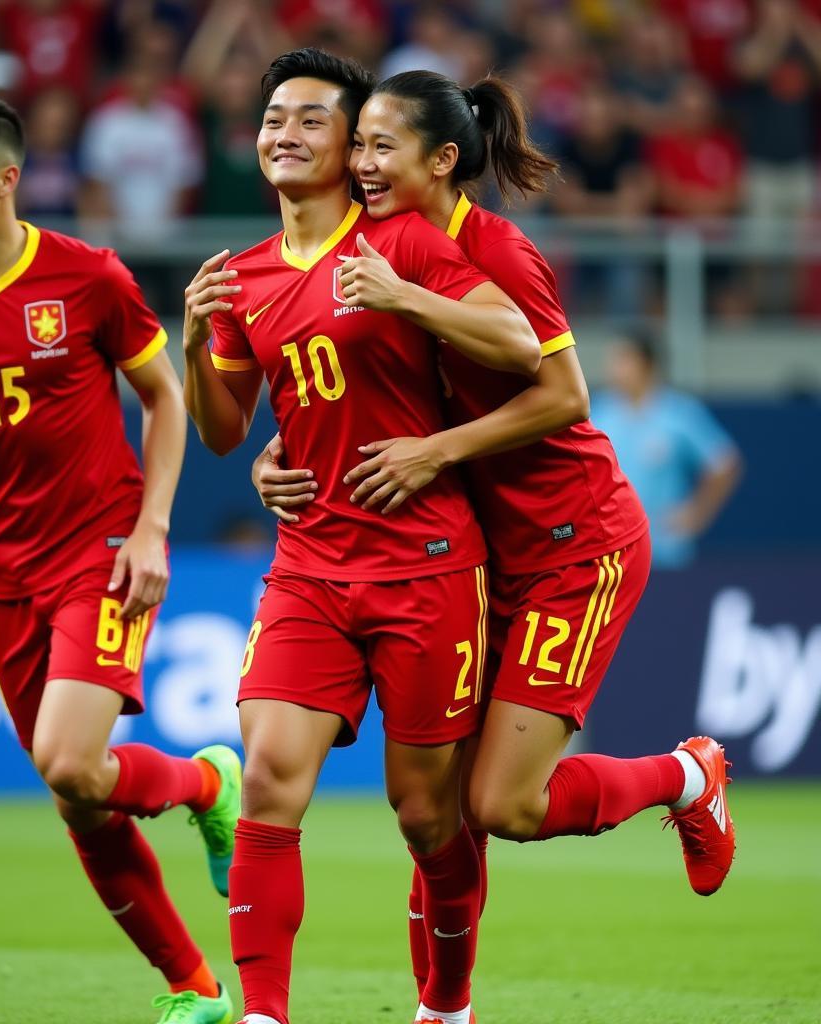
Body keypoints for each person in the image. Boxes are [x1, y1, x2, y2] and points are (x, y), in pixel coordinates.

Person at [252, 68, 737, 1016]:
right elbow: (354, 386)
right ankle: (444, 1006)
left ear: (441, 159)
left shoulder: (495, 252)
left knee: (500, 806)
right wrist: (275, 454)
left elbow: (565, 396)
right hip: (478, 553)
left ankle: (688, 776)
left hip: (572, 541)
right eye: (359, 146)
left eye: (379, 146)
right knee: (436, 810)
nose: (360, 163)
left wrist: (435, 448)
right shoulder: (377, 249)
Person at [0, 94, 240, 1024]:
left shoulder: (88, 276)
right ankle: (195, 988)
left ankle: (207, 783)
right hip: (0, 569)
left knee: (69, 762)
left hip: (101, 550)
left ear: (6, 179)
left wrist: (152, 528)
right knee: (79, 801)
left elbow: (165, 399)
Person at [183, 47, 539, 1024]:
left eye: (310, 121)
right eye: (272, 120)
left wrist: (398, 298)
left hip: (425, 562)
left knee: (428, 815)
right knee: (264, 777)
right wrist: (191, 342)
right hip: (308, 562)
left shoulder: (404, 245)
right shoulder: (245, 275)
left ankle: (447, 1003)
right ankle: (262, 1013)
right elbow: (223, 432)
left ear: (353, 149)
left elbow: (520, 343)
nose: (283, 135)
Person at [591, 329, 743, 569]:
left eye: (623, 359)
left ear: (646, 364)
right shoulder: (598, 412)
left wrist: (696, 513)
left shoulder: (679, 413)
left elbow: (724, 462)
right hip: (612, 555)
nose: (613, 368)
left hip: (664, 552)